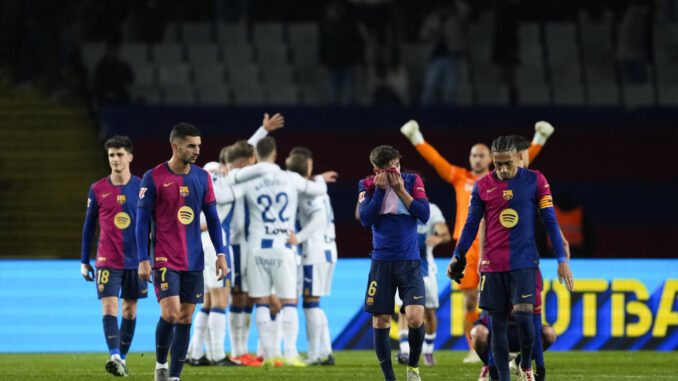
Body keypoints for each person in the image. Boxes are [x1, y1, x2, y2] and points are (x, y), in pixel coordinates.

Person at [401, 119, 554, 363]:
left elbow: (523, 164)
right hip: (468, 249)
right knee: (471, 301)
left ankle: (508, 350)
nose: (477, 159)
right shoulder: (462, 178)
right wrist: (416, 138)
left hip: (499, 246)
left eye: (482, 155)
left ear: (490, 158)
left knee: (508, 303)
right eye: (473, 155)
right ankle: (476, 347)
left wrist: (539, 141)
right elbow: (437, 162)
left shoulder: (503, 178)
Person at [447, 136, 574, 381]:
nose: (503, 170)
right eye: (498, 164)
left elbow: (550, 220)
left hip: (524, 264)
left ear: (518, 157)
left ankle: (525, 366)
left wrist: (561, 259)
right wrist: (457, 255)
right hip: (493, 267)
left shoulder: (536, 180)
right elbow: (471, 224)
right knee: (498, 328)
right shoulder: (482, 185)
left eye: (508, 164)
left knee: (527, 319)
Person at [220, 136, 338, 367]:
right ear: (275, 155)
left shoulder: (248, 181)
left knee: (262, 302)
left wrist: (225, 174)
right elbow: (316, 190)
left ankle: (270, 355)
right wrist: (319, 179)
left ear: (256, 156)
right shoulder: (290, 178)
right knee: (289, 302)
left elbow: (223, 194)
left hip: (256, 248)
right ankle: (290, 353)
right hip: (283, 246)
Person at [136, 123, 229, 381]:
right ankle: (160, 365)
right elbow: (141, 222)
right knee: (170, 313)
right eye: (191, 145)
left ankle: (175, 377)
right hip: (164, 257)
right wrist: (143, 259)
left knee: (186, 317)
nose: (197, 150)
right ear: (175, 147)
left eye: (199, 145)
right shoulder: (152, 177)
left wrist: (221, 253)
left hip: (194, 258)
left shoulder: (202, 177)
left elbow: (212, 219)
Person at [358, 145, 430, 381]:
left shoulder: (412, 180)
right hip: (382, 263)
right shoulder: (367, 185)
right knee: (381, 319)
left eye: (397, 166)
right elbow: (366, 220)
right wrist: (379, 192)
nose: (396, 173)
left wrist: (400, 191)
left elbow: (424, 214)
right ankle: (390, 377)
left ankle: (413, 366)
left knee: (416, 317)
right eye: (390, 170)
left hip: (409, 261)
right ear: (377, 170)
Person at [80, 135, 146, 377]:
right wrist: (84, 261)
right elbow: (89, 226)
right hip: (107, 259)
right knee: (109, 307)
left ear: (130, 157)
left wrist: (152, 257)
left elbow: (153, 224)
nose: (115, 159)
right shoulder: (97, 189)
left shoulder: (141, 187)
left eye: (119, 154)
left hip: (136, 260)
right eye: (111, 155)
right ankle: (115, 355)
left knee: (129, 311)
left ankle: (122, 360)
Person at [285, 149, 337, 366]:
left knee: (310, 304)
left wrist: (300, 237)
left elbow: (318, 217)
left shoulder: (308, 192)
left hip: (314, 252)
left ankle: (316, 354)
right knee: (314, 303)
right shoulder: (317, 188)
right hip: (327, 249)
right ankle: (326, 352)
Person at [394, 199, 450, 367]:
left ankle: (428, 351)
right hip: (402, 268)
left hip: (425, 270)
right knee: (403, 311)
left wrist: (438, 238)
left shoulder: (431, 210)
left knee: (429, 312)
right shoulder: (396, 207)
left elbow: (446, 234)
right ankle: (404, 351)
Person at [419, 1, 470, 105]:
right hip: (435, 58)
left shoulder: (456, 18)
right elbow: (423, 36)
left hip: (451, 58)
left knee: (450, 90)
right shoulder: (432, 19)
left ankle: (449, 117)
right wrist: (433, 34)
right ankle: (424, 116)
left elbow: (466, 10)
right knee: (430, 88)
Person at [93, 40, 134, 105]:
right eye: (111, 51)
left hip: (119, 95)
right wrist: (106, 93)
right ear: (107, 52)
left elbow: (130, 79)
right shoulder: (101, 67)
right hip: (104, 96)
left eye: (115, 51)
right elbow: (97, 83)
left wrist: (126, 67)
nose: (113, 53)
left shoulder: (122, 65)